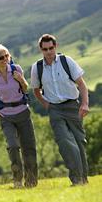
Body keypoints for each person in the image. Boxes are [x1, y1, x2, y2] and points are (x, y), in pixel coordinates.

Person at [30, 34, 89, 186]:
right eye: (45, 49)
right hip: (54, 109)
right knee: (65, 142)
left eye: (51, 48)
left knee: (79, 142)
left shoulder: (66, 61)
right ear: (41, 50)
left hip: (72, 106)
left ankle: (83, 179)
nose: (48, 52)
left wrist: (84, 104)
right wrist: (47, 105)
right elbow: (36, 90)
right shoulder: (37, 68)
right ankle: (76, 179)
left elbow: (81, 84)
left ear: (55, 47)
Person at [0, 44, 38, 188]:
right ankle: (17, 180)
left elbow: (25, 88)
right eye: (1, 58)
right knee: (13, 146)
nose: (5, 59)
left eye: (7, 56)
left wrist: (21, 79)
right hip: (6, 116)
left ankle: (31, 182)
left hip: (23, 112)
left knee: (29, 148)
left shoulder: (16, 69)